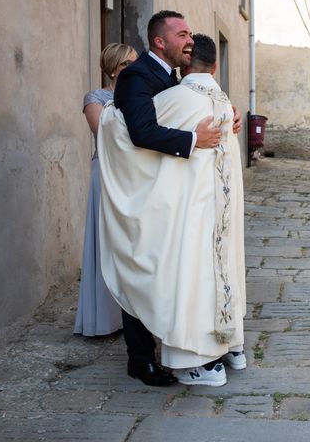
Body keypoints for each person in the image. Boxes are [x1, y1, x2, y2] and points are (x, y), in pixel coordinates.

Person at [98, 32, 246, 387]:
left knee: (187, 273)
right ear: (215, 65)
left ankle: (193, 358)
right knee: (216, 269)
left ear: (189, 58)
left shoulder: (173, 96)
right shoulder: (220, 101)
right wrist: (197, 136)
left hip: (185, 206)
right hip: (214, 207)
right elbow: (142, 131)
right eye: (180, 32)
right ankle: (230, 345)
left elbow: (119, 128)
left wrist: (108, 116)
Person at [74, 43, 137, 337]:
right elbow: (104, 132)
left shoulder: (142, 95)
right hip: (107, 172)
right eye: (126, 64)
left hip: (135, 175)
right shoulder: (96, 99)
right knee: (105, 240)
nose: (132, 69)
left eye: (134, 63)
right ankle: (105, 318)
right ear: (113, 69)